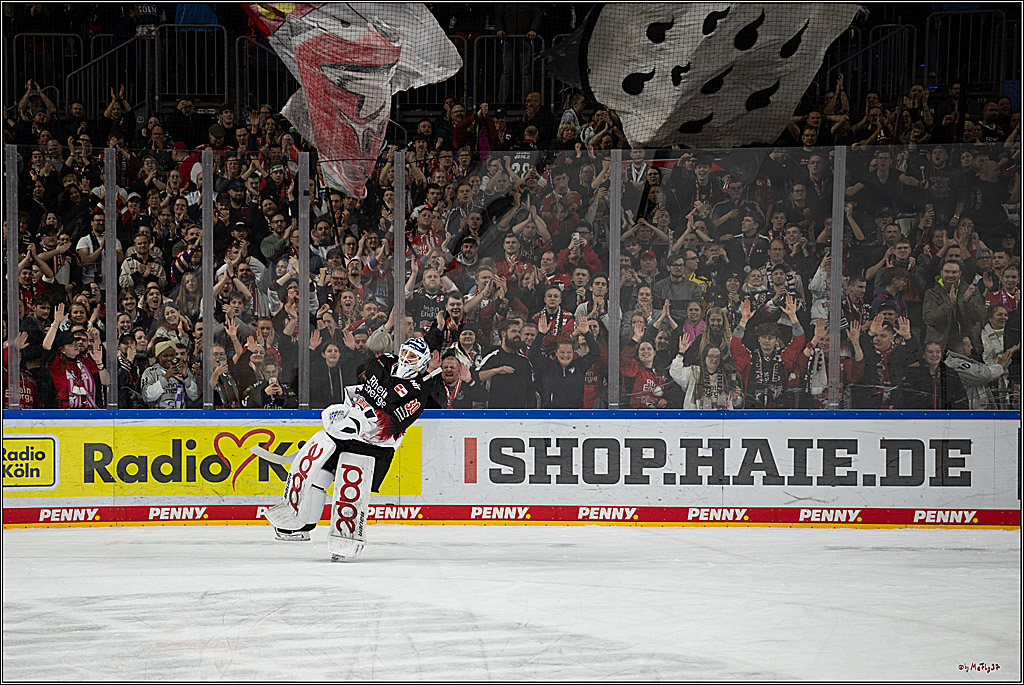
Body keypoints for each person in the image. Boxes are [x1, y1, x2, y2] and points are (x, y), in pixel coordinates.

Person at [263, 337, 445, 560]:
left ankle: (345, 539)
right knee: (318, 477)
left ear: (423, 362)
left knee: (349, 490)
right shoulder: (384, 361)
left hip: (374, 447)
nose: (406, 358)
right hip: (347, 432)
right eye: (405, 352)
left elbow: (392, 425)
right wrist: (350, 410)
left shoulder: (418, 393)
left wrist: (360, 424)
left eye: (413, 357)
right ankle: (303, 526)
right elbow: (361, 381)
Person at [730, 296, 805, 408]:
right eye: (763, 337)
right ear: (758, 339)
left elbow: (798, 343)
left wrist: (793, 317)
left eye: (770, 338)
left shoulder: (783, 357)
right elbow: (734, 347)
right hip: (752, 410)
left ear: (776, 340)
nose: (766, 341)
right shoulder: (749, 358)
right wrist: (743, 321)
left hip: (779, 410)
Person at [943, 335, 1019, 409]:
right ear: (960, 350)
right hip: (968, 411)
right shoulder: (954, 364)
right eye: (968, 346)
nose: (972, 348)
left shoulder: (967, 360)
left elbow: (986, 369)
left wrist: (1006, 357)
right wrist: (1000, 365)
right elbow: (983, 375)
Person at [140, 340, 199, 408]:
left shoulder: (182, 369)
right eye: (165, 356)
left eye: (172, 355)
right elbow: (147, 397)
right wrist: (165, 378)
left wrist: (186, 377)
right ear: (158, 356)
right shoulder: (150, 372)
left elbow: (194, 396)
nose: (169, 358)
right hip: (158, 413)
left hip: (180, 412)